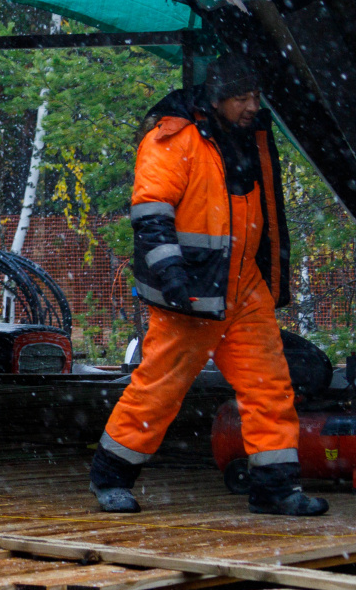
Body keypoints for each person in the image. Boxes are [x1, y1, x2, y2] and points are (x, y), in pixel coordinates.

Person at [95, 53, 325, 517]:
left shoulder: (249, 135)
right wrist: (173, 276)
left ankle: (275, 489)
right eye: (241, 97)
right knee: (158, 391)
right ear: (217, 99)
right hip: (191, 295)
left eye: (255, 96)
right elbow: (150, 214)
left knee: (269, 388)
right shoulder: (172, 139)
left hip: (243, 289)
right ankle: (111, 479)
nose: (251, 105)